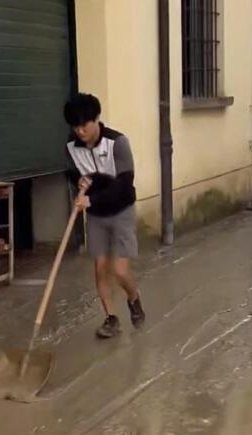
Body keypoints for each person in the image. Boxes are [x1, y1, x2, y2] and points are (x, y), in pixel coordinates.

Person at [63, 93, 145, 339]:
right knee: (100, 269)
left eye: (84, 125)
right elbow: (71, 173)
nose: (80, 131)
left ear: (96, 119)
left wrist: (92, 199)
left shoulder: (117, 143)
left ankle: (134, 299)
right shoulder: (71, 147)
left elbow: (124, 184)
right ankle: (111, 319)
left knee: (120, 271)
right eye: (75, 126)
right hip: (96, 216)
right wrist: (80, 181)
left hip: (121, 210)